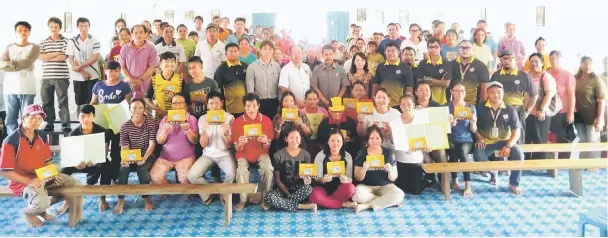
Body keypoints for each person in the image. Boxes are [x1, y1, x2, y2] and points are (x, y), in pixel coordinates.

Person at [0, 104, 80, 227]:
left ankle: (41, 208)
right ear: (23, 118)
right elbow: (5, 171)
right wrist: (29, 180)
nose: (36, 122)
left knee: (75, 185)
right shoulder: (11, 140)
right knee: (41, 202)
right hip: (22, 181)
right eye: (32, 118)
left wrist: (52, 174)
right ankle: (28, 212)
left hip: (41, 175)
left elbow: (47, 161)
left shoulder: (42, 136)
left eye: (39, 119)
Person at [58, 105, 111, 213]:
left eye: (89, 116)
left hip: (95, 162)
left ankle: (102, 197)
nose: (86, 119)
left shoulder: (101, 131)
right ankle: (67, 199)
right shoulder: (73, 133)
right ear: (78, 117)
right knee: (63, 171)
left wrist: (96, 160)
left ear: (94, 117)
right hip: (78, 163)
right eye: (82, 116)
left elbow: (104, 152)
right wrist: (75, 163)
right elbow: (69, 154)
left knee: (106, 165)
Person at [473, 82, 524, 195]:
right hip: (486, 141)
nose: (496, 95)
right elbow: (473, 127)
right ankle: (493, 172)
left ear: (503, 93)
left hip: (504, 142)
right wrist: (479, 137)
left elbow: (516, 131)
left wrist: (508, 145)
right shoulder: (480, 108)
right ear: (487, 94)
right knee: (478, 156)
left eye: (499, 92)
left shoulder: (509, 109)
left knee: (519, 154)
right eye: (492, 93)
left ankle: (514, 184)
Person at [187, 91, 236, 204]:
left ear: (222, 103)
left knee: (232, 174)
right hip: (208, 155)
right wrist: (204, 131)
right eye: (211, 103)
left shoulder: (229, 118)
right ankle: (209, 193)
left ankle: (224, 193)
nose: (213, 106)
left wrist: (227, 133)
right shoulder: (203, 119)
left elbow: (231, 144)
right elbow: (203, 145)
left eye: (216, 103)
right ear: (207, 105)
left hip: (225, 154)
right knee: (192, 175)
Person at [232, 93, 275, 211]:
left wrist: (266, 141)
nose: (251, 109)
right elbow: (236, 148)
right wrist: (240, 144)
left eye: (254, 106)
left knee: (267, 168)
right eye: (248, 106)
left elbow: (269, 145)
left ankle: (266, 198)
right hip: (244, 153)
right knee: (241, 170)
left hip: (261, 152)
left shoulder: (266, 120)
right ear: (244, 107)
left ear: (259, 106)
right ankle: (243, 199)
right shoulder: (237, 122)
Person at [114, 99, 158, 213]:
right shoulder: (125, 126)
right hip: (131, 156)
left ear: (144, 109)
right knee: (123, 169)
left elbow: (152, 143)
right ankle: (121, 199)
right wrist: (125, 159)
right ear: (130, 110)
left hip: (147, 155)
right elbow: (124, 146)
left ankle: (146, 198)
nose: (138, 110)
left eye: (140, 108)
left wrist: (144, 158)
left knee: (142, 169)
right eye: (134, 108)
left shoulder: (151, 124)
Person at [0, 21, 41, 134]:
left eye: (25, 30)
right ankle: (12, 144)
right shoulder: (9, 47)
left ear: (29, 32)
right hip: (9, 88)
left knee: (27, 119)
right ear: (16, 33)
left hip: (27, 87)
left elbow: (28, 62)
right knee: (10, 120)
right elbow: (1, 65)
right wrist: (11, 65)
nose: (23, 32)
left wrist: (9, 64)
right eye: (20, 30)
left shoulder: (35, 47)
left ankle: (25, 144)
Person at [263, 126, 317, 212]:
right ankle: (301, 206)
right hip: (281, 188)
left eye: (297, 137)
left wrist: (308, 180)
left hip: (298, 188)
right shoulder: (278, 155)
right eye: (291, 138)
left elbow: (308, 175)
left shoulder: (306, 155)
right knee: (269, 197)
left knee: (308, 189)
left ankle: (281, 203)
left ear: (300, 138)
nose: (294, 140)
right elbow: (277, 180)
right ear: (286, 139)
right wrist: (287, 193)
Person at [490, 49, 538, 144]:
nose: (508, 61)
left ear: (515, 60)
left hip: (517, 111)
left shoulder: (524, 76)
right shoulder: (495, 76)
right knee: (499, 140)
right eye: (505, 58)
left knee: (518, 141)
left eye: (511, 58)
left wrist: (527, 110)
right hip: (499, 110)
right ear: (501, 60)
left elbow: (534, 95)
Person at [352, 125, 404, 213]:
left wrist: (390, 170)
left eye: (377, 138)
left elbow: (393, 178)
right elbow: (358, 177)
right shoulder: (361, 153)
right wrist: (364, 169)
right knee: (357, 195)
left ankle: (366, 205)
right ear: (367, 140)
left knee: (399, 194)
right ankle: (385, 201)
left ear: (381, 139)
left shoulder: (389, 153)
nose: (375, 141)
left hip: (385, 186)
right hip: (366, 186)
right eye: (371, 138)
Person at [309, 128, 356, 209]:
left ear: (342, 142)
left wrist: (346, 180)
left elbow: (350, 179)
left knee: (351, 188)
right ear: (328, 141)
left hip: (340, 189)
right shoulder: (320, 155)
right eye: (332, 140)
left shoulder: (347, 156)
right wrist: (324, 179)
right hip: (323, 189)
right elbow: (316, 178)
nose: (335, 143)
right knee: (314, 194)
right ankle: (342, 204)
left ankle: (327, 202)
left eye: (338, 141)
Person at [39, 17, 71, 132]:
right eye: (51, 26)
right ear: (48, 27)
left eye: (56, 27)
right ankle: (49, 122)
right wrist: (57, 53)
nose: (53, 29)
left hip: (61, 76)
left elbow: (63, 57)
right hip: (46, 76)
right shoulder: (42, 41)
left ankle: (65, 124)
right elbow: (41, 57)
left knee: (63, 101)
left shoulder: (66, 41)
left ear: (60, 28)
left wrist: (49, 56)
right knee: (47, 102)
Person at [446, 83, 477, 196]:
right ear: (452, 92)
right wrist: (450, 124)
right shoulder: (446, 107)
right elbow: (442, 128)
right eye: (457, 91)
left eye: (462, 91)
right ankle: (454, 180)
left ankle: (467, 185)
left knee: (463, 153)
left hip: (466, 139)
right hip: (451, 138)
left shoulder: (470, 107)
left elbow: (473, 130)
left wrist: (473, 121)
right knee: (452, 152)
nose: (460, 93)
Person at [525, 53, 557, 160]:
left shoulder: (546, 77)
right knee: (526, 138)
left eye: (536, 61)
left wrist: (542, 110)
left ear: (542, 63)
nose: (533, 64)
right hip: (526, 113)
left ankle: (538, 163)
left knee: (540, 139)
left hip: (540, 113)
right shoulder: (526, 75)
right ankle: (525, 160)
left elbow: (549, 94)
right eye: (531, 61)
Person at [392, 94, 426, 195]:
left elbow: (425, 139)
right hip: (399, 159)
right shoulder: (395, 121)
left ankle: (426, 179)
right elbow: (393, 141)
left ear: (414, 105)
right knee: (401, 189)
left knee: (416, 191)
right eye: (403, 104)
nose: (406, 107)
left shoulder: (420, 120)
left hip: (415, 160)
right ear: (400, 106)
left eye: (409, 104)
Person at [574, 56, 606, 160]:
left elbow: (601, 101)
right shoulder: (575, 78)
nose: (587, 66)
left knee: (593, 140)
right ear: (580, 64)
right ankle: (584, 161)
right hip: (578, 116)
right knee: (582, 140)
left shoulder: (596, 80)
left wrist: (600, 118)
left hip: (592, 117)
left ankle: (594, 164)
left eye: (589, 64)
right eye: (585, 63)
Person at [547, 51, 576, 157]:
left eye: (556, 58)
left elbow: (572, 95)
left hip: (563, 111)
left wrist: (570, 113)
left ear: (561, 59)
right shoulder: (546, 73)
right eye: (551, 58)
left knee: (563, 136)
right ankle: (551, 159)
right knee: (551, 136)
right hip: (549, 110)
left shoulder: (568, 75)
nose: (554, 60)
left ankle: (564, 159)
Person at [67, 18, 101, 107]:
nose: (83, 28)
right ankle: (81, 120)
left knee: (92, 101)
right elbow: (70, 58)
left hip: (92, 75)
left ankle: (92, 120)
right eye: (81, 26)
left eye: (85, 26)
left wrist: (80, 67)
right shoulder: (72, 41)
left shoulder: (95, 40)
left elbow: (96, 57)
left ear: (89, 26)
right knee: (79, 101)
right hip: (78, 76)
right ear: (78, 26)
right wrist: (82, 71)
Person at [120, 24, 158, 99]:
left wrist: (139, 81)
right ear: (131, 35)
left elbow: (152, 67)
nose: (138, 35)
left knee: (146, 108)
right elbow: (122, 67)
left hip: (146, 85)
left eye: (141, 32)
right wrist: (131, 80)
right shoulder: (125, 48)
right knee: (129, 108)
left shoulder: (151, 48)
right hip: (128, 85)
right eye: (135, 33)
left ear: (146, 34)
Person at [372, 42, 415, 108]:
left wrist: (407, 104)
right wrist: (374, 100)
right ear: (384, 52)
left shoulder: (406, 68)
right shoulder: (380, 66)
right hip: (382, 103)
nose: (390, 53)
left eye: (393, 51)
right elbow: (376, 84)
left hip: (398, 104)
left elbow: (409, 88)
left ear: (398, 52)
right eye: (388, 51)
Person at [246, 40, 281, 118]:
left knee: (273, 126)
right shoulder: (252, 67)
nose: (267, 52)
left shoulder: (277, 67)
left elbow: (279, 87)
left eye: (270, 49)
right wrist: (253, 105)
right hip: (258, 102)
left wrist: (280, 103)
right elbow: (250, 89)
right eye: (264, 49)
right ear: (260, 50)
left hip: (274, 102)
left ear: (273, 51)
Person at [145, 51, 184, 121]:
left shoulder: (180, 79)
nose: (169, 63)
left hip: (177, 115)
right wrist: (157, 109)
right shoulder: (154, 80)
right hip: (160, 116)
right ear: (160, 64)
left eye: (172, 61)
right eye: (166, 61)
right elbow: (148, 99)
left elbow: (185, 99)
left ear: (175, 64)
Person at [449, 40, 490, 105]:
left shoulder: (481, 66)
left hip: (473, 105)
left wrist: (481, 106)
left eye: (468, 48)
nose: (464, 50)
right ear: (458, 49)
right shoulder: (451, 65)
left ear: (473, 50)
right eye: (462, 48)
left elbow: (484, 89)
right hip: (454, 105)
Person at [215, 43, 248, 119]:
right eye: (230, 51)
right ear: (226, 54)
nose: (233, 53)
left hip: (245, 107)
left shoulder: (245, 66)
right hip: (229, 109)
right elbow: (218, 90)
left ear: (239, 52)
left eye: (235, 51)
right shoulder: (221, 70)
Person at [417, 38, 452, 105]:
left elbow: (446, 84)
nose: (433, 49)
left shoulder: (447, 63)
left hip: (442, 100)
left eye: (436, 47)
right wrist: (440, 82)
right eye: (431, 47)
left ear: (440, 48)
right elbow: (419, 82)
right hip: (425, 100)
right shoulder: (422, 63)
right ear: (427, 48)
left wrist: (428, 79)